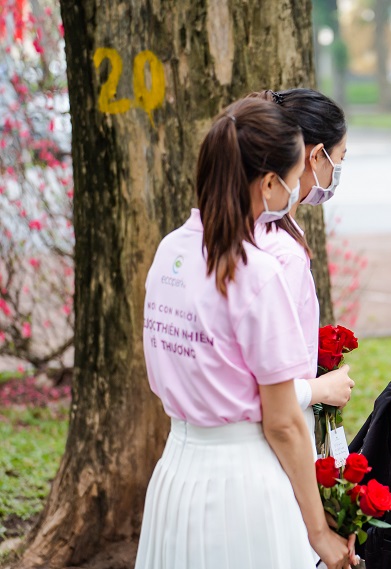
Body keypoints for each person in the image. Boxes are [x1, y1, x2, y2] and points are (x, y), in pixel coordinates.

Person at [136, 98, 358, 569]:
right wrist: (319, 531)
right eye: (296, 173)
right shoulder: (256, 272)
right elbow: (281, 422)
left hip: (176, 474)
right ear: (271, 183)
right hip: (244, 486)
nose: (299, 185)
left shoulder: (170, 251)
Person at [247, 88, 353, 455]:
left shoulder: (251, 230)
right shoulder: (282, 251)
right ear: (316, 155)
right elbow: (266, 378)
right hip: (278, 437)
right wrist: (321, 389)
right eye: (339, 158)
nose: (338, 171)